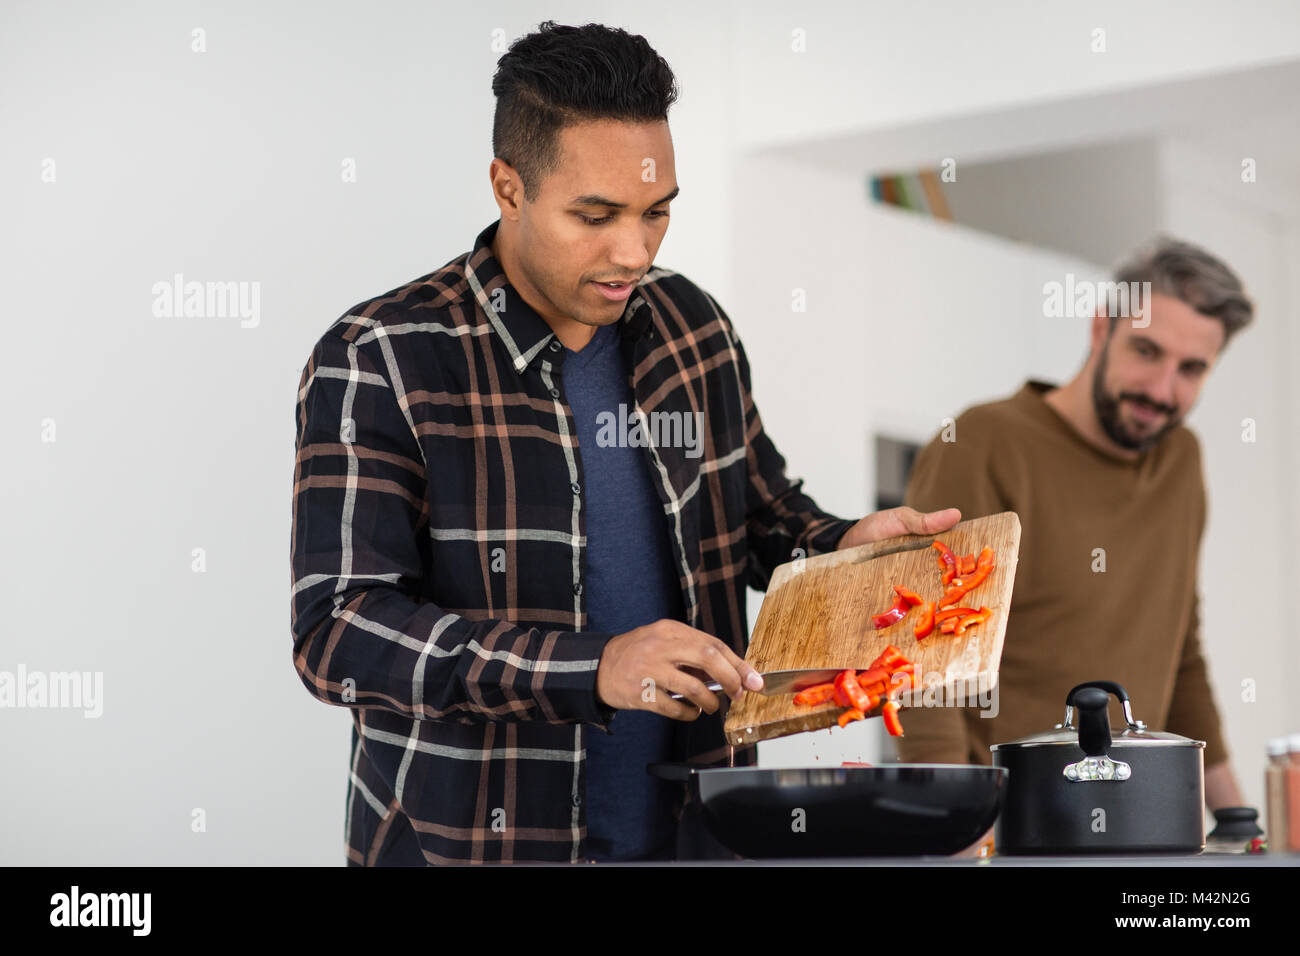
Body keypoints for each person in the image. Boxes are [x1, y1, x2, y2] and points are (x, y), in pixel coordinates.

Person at [289, 21, 958, 865]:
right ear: (508, 187)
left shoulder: (694, 328)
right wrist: (591, 667)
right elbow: (337, 632)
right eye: (595, 215)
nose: (633, 251)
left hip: (700, 837)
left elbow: (760, 514)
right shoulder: (381, 355)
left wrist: (839, 545)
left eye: (657, 212)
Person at [896, 236, 1252, 813]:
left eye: (1191, 369)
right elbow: (924, 646)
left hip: (1141, 821)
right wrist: (956, 828)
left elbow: (1181, 647)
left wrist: (1240, 821)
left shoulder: (1182, 461)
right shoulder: (984, 443)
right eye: (1146, 351)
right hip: (1009, 826)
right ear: (1099, 330)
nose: (1162, 391)